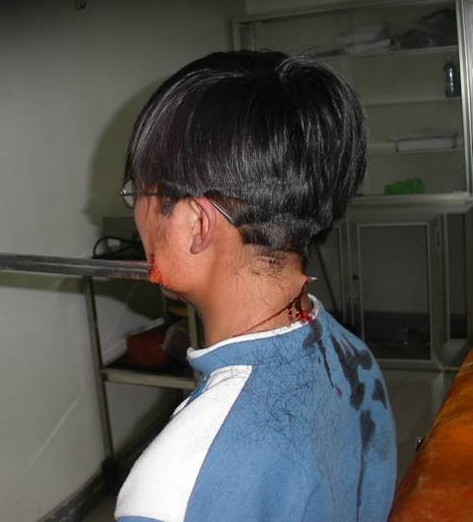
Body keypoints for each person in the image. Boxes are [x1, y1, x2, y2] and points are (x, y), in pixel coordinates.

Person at [114, 50, 397, 521]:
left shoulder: (172, 488)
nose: (137, 219)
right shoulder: (353, 357)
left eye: (138, 194)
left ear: (196, 224)